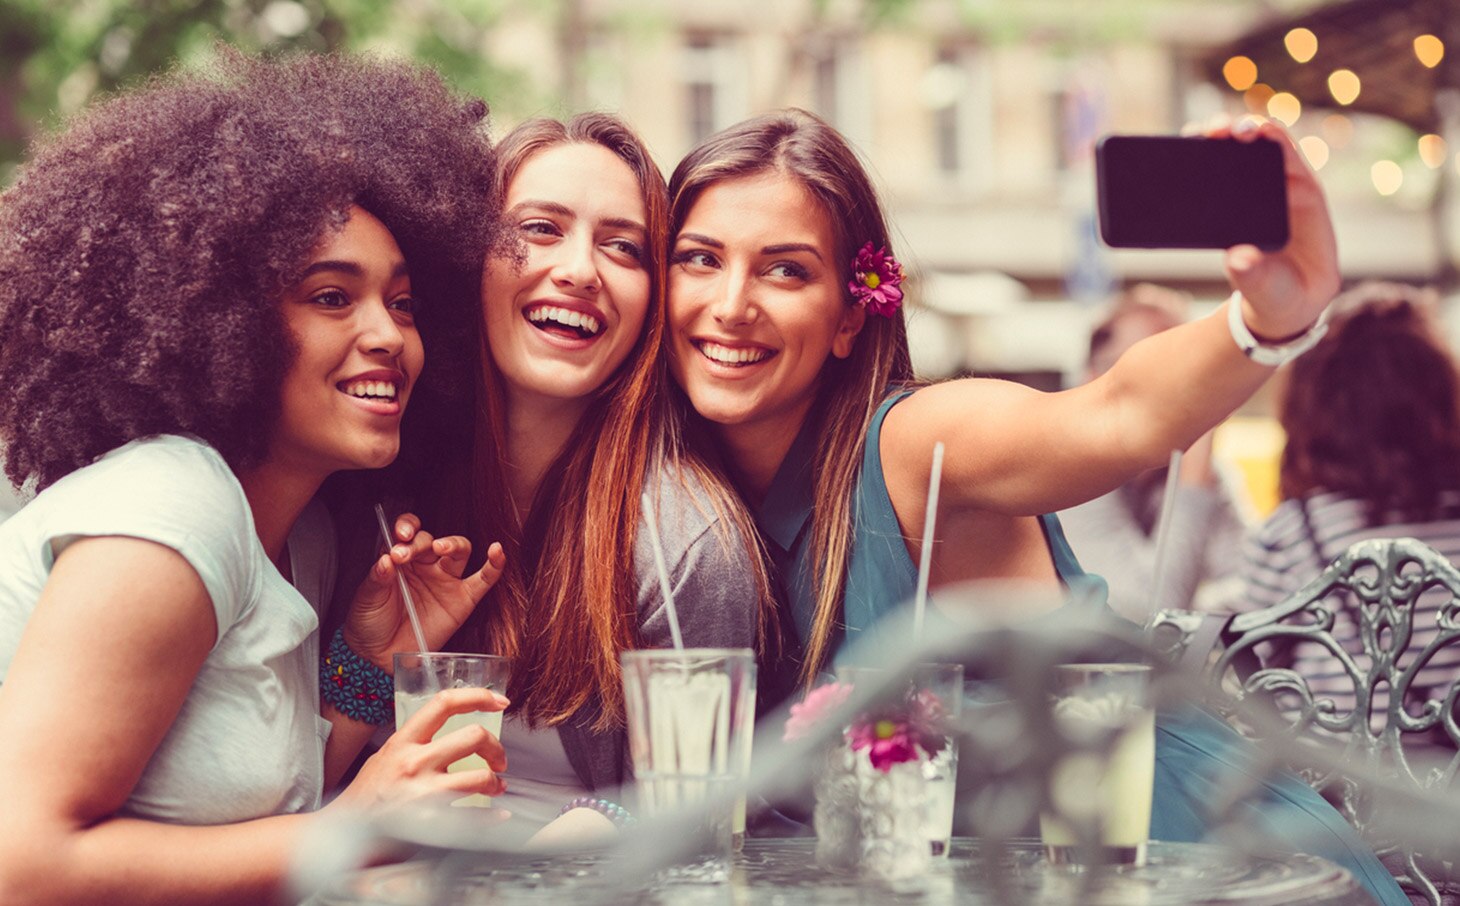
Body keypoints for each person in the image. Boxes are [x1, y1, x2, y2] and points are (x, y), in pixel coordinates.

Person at [663, 108, 1407, 904]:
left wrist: (1267, 319)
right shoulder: (687, 500)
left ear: (851, 315)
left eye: (785, 270)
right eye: (700, 258)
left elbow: (1115, 414)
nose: (732, 303)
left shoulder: (916, 444)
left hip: (1173, 851)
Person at [0, 52, 510, 904]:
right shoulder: (171, 507)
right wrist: (363, 828)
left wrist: (365, 661)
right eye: (331, 296)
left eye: (405, 302)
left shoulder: (298, 531)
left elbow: (256, 800)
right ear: (222, 324)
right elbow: (21, 866)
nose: (388, 334)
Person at [349, 113, 768, 833]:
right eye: (540, 229)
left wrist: (596, 826)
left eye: (623, 247)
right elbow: (308, 785)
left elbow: (694, 822)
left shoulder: (687, 546)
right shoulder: (381, 484)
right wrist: (363, 662)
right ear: (467, 257)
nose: (580, 269)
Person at [1239, 282, 1460, 723]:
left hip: (1329, 784)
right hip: (1449, 783)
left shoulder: (1291, 530)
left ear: (1313, 405)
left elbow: (1256, 669)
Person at [1058, 284, 1247, 620]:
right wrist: (1191, 484)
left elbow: (1255, 589)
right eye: (1150, 362)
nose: (1175, 382)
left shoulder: (1204, 471)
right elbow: (1146, 616)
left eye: (1186, 363)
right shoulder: (1069, 472)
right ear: (1092, 377)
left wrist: (1193, 611)